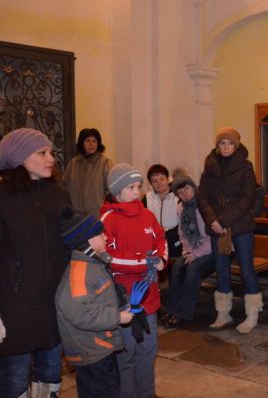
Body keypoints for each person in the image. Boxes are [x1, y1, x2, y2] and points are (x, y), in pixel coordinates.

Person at [0, 128, 72, 398]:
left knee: (51, 373)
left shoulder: (59, 194)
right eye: (41, 153)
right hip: (14, 307)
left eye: (50, 152)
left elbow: (70, 241)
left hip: (54, 303)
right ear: (19, 158)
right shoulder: (2, 198)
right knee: (15, 378)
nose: (50, 158)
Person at [101, 163, 167, 398]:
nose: (137, 191)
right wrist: (144, 263)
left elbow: (161, 238)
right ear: (117, 192)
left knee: (148, 349)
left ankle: (146, 393)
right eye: (131, 187)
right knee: (126, 352)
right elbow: (109, 258)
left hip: (148, 294)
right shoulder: (108, 219)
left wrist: (160, 259)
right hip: (125, 298)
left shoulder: (147, 214)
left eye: (139, 186)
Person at [55, 207, 134, 398]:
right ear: (88, 241)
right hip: (92, 352)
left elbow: (100, 299)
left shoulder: (93, 264)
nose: (106, 238)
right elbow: (79, 313)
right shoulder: (79, 274)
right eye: (101, 234)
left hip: (100, 348)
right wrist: (117, 317)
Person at [197, 127, 260, 333]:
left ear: (237, 145)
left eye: (230, 143)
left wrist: (223, 220)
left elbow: (247, 198)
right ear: (217, 146)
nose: (226, 147)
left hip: (240, 226)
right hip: (217, 227)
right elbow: (202, 196)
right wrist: (213, 220)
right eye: (222, 143)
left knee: (246, 270)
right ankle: (223, 313)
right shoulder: (210, 166)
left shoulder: (246, 167)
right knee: (222, 272)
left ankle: (252, 315)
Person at [162, 173, 216, 328]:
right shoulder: (181, 208)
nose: (185, 194)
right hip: (193, 250)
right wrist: (186, 250)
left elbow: (212, 237)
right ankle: (171, 310)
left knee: (193, 269)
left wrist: (196, 254)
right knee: (178, 266)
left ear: (193, 187)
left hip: (212, 251)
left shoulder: (204, 206)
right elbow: (182, 233)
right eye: (180, 192)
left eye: (186, 188)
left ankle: (183, 314)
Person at [63, 127, 113, 217]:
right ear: (82, 143)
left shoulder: (105, 163)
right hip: (75, 215)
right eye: (88, 141)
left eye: (94, 141)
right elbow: (64, 187)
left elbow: (110, 190)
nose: (91, 144)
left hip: (97, 215)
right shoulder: (73, 163)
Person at [143, 164, 181, 259]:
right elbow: (142, 222)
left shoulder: (178, 196)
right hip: (153, 240)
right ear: (151, 184)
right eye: (154, 181)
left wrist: (166, 235)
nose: (159, 183)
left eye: (161, 179)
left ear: (168, 179)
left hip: (175, 239)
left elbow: (183, 223)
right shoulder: (146, 199)